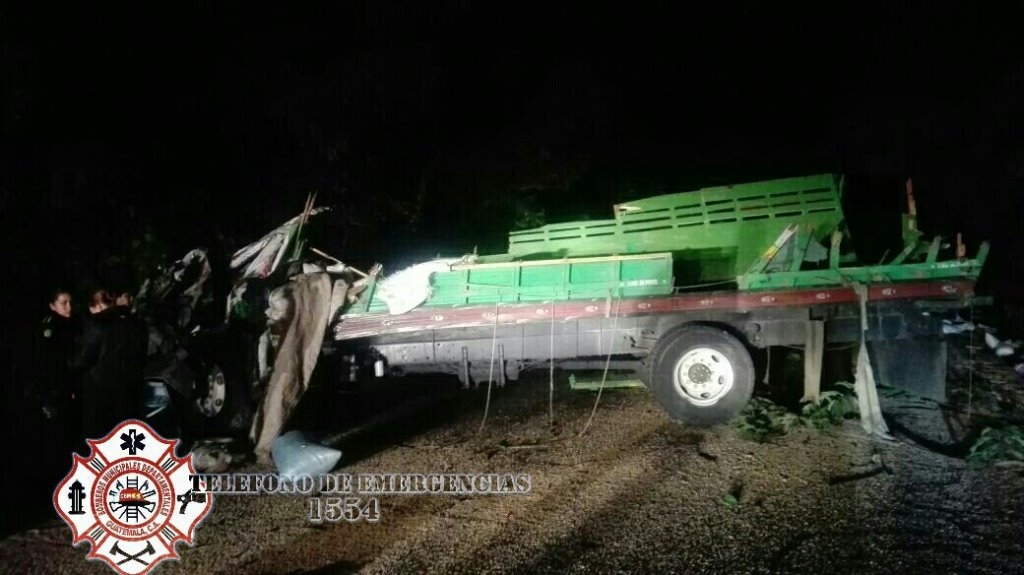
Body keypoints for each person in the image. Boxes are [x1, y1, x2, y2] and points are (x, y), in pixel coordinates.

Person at [72, 288, 149, 439]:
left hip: (100, 394)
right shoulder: (139, 324)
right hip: (130, 391)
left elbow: (82, 359)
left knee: (99, 440)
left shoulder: (97, 323)